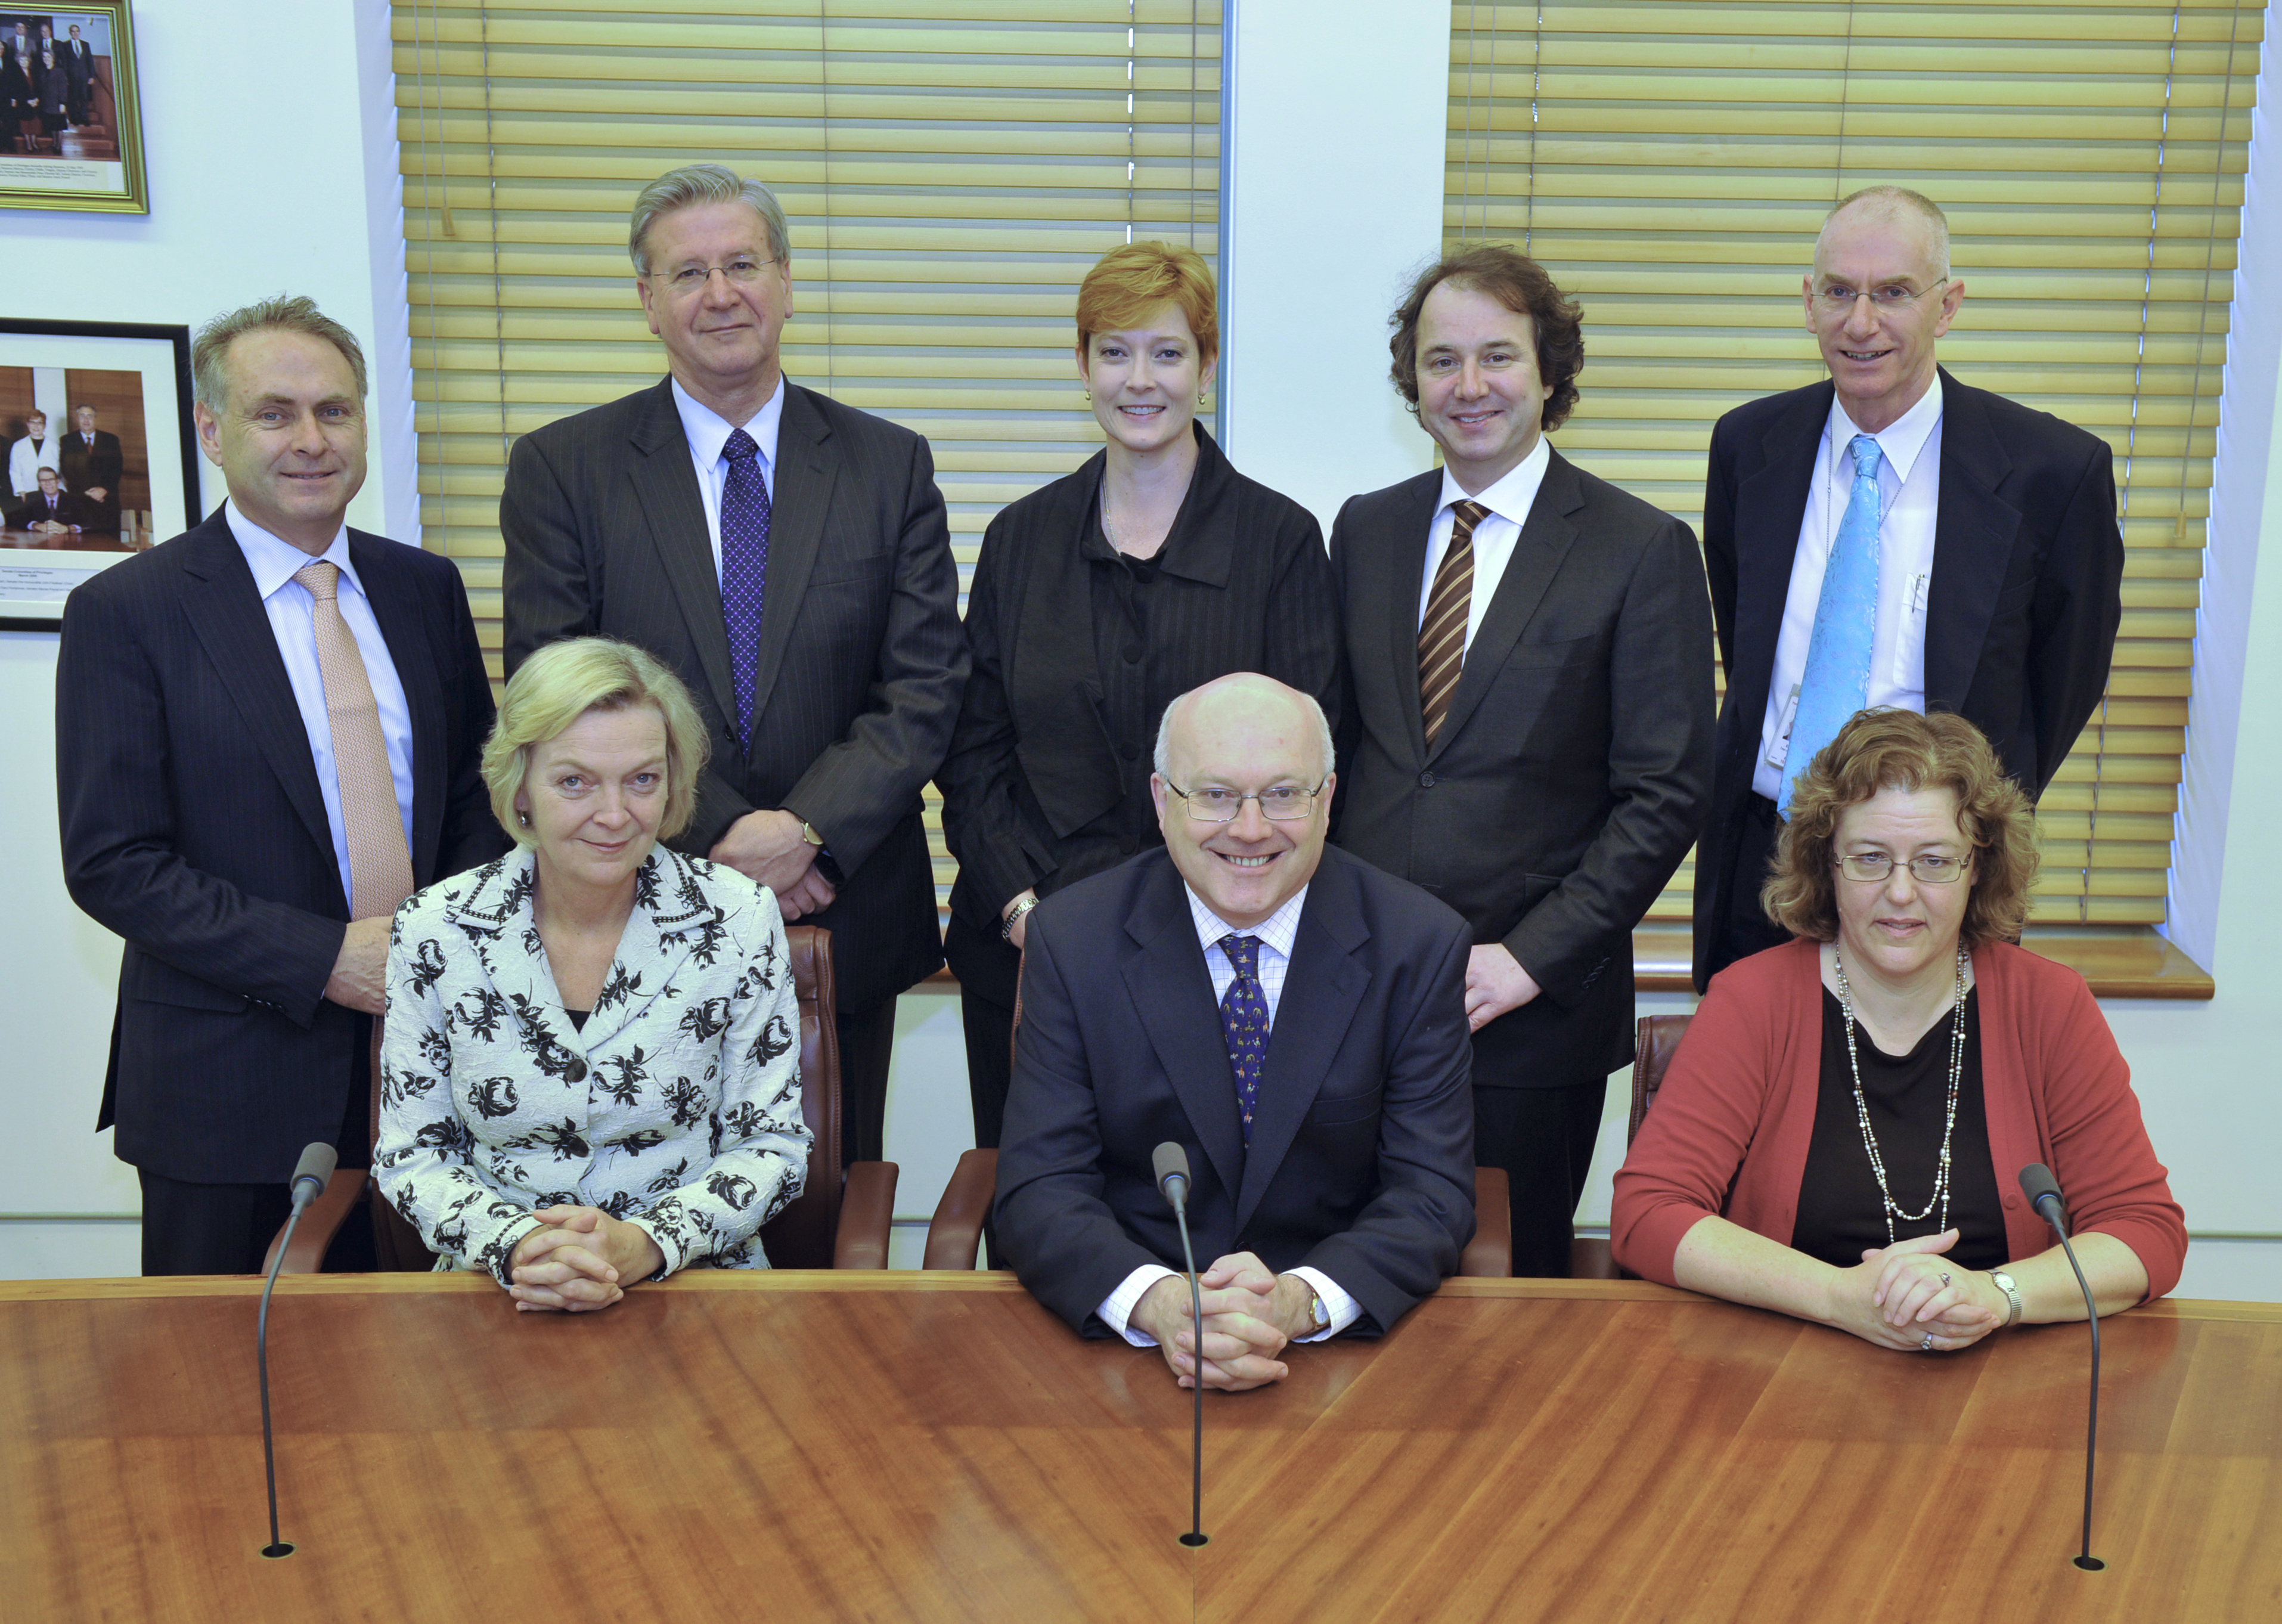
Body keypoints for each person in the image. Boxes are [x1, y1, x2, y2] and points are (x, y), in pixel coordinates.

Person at [501, 162, 966, 1170]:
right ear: (646, 302)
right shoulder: (562, 470)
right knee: (638, 1212)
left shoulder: (890, 465)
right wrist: (723, 837)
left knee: (831, 1208)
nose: (721, 294)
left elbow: (925, 687)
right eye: (688, 272)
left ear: (788, 282)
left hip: (842, 917)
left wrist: (803, 834)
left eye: (744, 264)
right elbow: (553, 688)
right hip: (640, 905)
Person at [56, 295, 504, 1276]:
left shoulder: (425, 587)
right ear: (212, 430)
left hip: (430, 1069)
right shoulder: (128, 611)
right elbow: (114, 862)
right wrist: (325, 957)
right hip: (226, 1091)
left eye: (335, 411)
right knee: (221, 1399)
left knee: (423, 1394)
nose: (311, 439)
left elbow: (480, 790)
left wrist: (436, 942)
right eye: (275, 413)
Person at [1328, 244, 1714, 1277]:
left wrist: (1527, 959)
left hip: (1528, 1015)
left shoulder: (1638, 548)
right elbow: (1336, 757)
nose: (1468, 386)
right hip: (1357, 996)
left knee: (1506, 1304)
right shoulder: (1364, 532)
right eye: (1440, 360)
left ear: (1550, 372)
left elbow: (1663, 792)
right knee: (1341, 1280)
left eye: (1497, 356)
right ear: (1412, 384)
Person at [937, 241, 1341, 1160]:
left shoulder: (1279, 541)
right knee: (1039, 1211)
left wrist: (1206, 912)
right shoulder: (1021, 539)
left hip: (1217, 953)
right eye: (1114, 352)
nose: (1140, 379)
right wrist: (1026, 912)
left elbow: (1308, 764)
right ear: (1082, 368)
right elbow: (973, 753)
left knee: (1203, 1217)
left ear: (1206, 368)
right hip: (1027, 950)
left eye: (1167, 352)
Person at [1611, 708, 2185, 1352]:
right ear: (1827, 863)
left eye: (1935, 861)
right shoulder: (1753, 1000)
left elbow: (2144, 1232)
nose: (1902, 893)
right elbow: (1648, 1213)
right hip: (1783, 1375)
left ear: (1978, 867)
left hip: (2005, 1387)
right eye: (1870, 858)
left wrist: (1995, 1296)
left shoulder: (2048, 1004)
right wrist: (1839, 1298)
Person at [1694, 186, 2124, 992]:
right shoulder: (1748, 445)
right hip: (1762, 853)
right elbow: (1742, 632)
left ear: (1947, 304)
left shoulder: (2053, 474)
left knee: (1920, 1109)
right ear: (1809, 301)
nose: (1862, 324)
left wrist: (1952, 829)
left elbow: (2063, 684)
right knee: (1753, 1100)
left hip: (1931, 873)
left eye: (1893, 293)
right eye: (1839, 292)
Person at [994, 673, 1477, 1391]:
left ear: (1328, 800)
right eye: (1216, 795)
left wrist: (1296, 1301)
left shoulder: (1417, 944)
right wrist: (1161, 1306)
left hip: (1340, 1358)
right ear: (1162, 801)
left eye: (1284, 794)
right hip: (1125, 1356)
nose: (1250, 829)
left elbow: (1430, 1195)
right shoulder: (1075, 940)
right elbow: (1040, 1189)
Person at [376, 637, 813, 1306]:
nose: (614, 815)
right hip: (499, 1291)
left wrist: (643, 1245)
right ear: (519, 786)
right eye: (575, 781)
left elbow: (772, 1147)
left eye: (641, 779)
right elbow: (413, 1155)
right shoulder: (437, 929)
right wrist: (523, 1248)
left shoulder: (737, 917)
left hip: (692, 1285)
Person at [60, 402, 125, 531]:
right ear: (77, 419)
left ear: (95, 419)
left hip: (107, 501)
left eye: (90, 416)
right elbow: (67, 470)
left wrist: (104, 489)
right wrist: (88, 493)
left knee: (110, 544)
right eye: (82, 416)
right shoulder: (67, 440)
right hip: (81, 500)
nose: (86, 420)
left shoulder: (111, 440)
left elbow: (117, 468)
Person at [10, 466, 85, 534]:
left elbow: (90, 522)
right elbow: (17, 520)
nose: (48, 483)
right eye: (43, 480)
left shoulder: (73, 499)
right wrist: (36, 525)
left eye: (51, 479)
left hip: (68, 543)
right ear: (39, 484)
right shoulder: (32, 498)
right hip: (41, 543)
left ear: (57, 481)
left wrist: (68, 529)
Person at [10, 408, 61, 501]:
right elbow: (15, 472)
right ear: (28, 424)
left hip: (51, 491)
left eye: (40, 423)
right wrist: (21, 492)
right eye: (33, 422)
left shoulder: (54, 446)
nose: (36, 426)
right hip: (28, 491)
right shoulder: (18, 446)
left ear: (44, 426)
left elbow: (59, 470)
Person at [61, 24, 92, 127]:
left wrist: (91, 76)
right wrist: (66, 76)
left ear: (80, 32)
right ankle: (75, 118)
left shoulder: (86, 45)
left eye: (77, 31)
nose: (75, 33)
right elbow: (65, 62)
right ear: (70, 33)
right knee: (73, 98)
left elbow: (90, 61)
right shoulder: (65, 45)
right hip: (72, 76)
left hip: (84, 76)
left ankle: (84, 118)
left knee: (84, 98)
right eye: (73, 31)